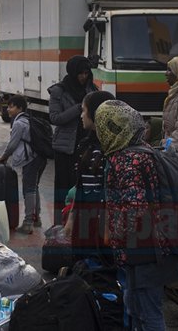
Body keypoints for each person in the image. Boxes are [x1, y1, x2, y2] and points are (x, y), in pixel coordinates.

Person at [95, 100, 178, 331]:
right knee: (135, 307)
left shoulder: (128, 160)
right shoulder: (143, 151)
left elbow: (136, 209)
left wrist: (117, 236)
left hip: (144, 250)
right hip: (147, 247)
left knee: (148, 311)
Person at [48, 55, 98, 227]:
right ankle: (60, 224)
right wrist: (79, 108)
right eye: (80, 73)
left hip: (87, 145)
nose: (83, 77)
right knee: (63, 188)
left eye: (86, 73)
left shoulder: (92, 89)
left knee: (83, 186)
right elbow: (55, 118)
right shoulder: (59, 91)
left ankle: (79, 224)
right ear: (73, 72)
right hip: (65, 148)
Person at [64, 91, 115, 252]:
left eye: (84, 110)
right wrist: (71, 219)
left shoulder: (112, 150)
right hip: (83, 219)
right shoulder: (86, 145)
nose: (81, 116)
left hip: (102, 223)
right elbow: (80, 185)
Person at [0, 94, 47, 235]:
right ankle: (37, 219)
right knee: (34, 187)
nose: (8, 109)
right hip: (40, 157)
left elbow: (12, 145)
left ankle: (28, 223)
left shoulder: (18, 123)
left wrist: (3, 157)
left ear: (20, 108)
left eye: (11, 107)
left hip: (31, 159)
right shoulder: (28, 120)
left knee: (28, 189)